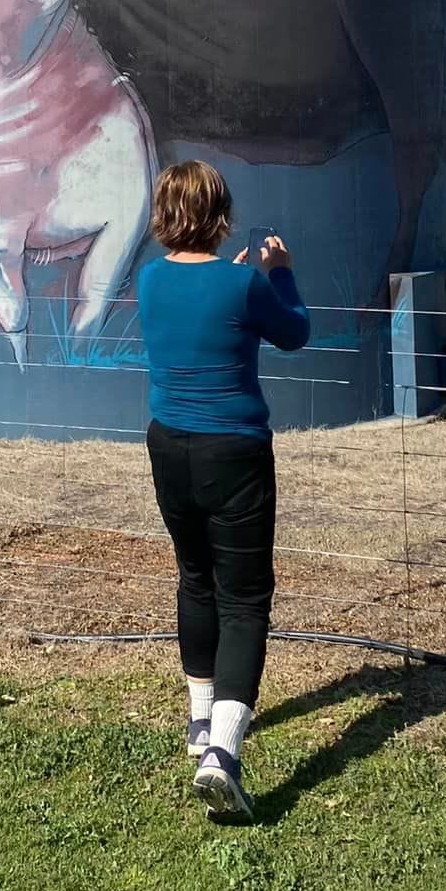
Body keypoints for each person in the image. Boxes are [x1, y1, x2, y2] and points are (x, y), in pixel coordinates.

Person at [136, 160, 311, 822]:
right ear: (221, 216)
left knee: (194, 579)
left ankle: (199, 721)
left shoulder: (150, 280)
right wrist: (279, 272)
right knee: (245, 599)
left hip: (168, 446)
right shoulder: (244, 284)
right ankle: (224, 758)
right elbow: (296, 331)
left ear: (163, 216)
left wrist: (232, 276)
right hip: (233, 451)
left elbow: (195, 302)